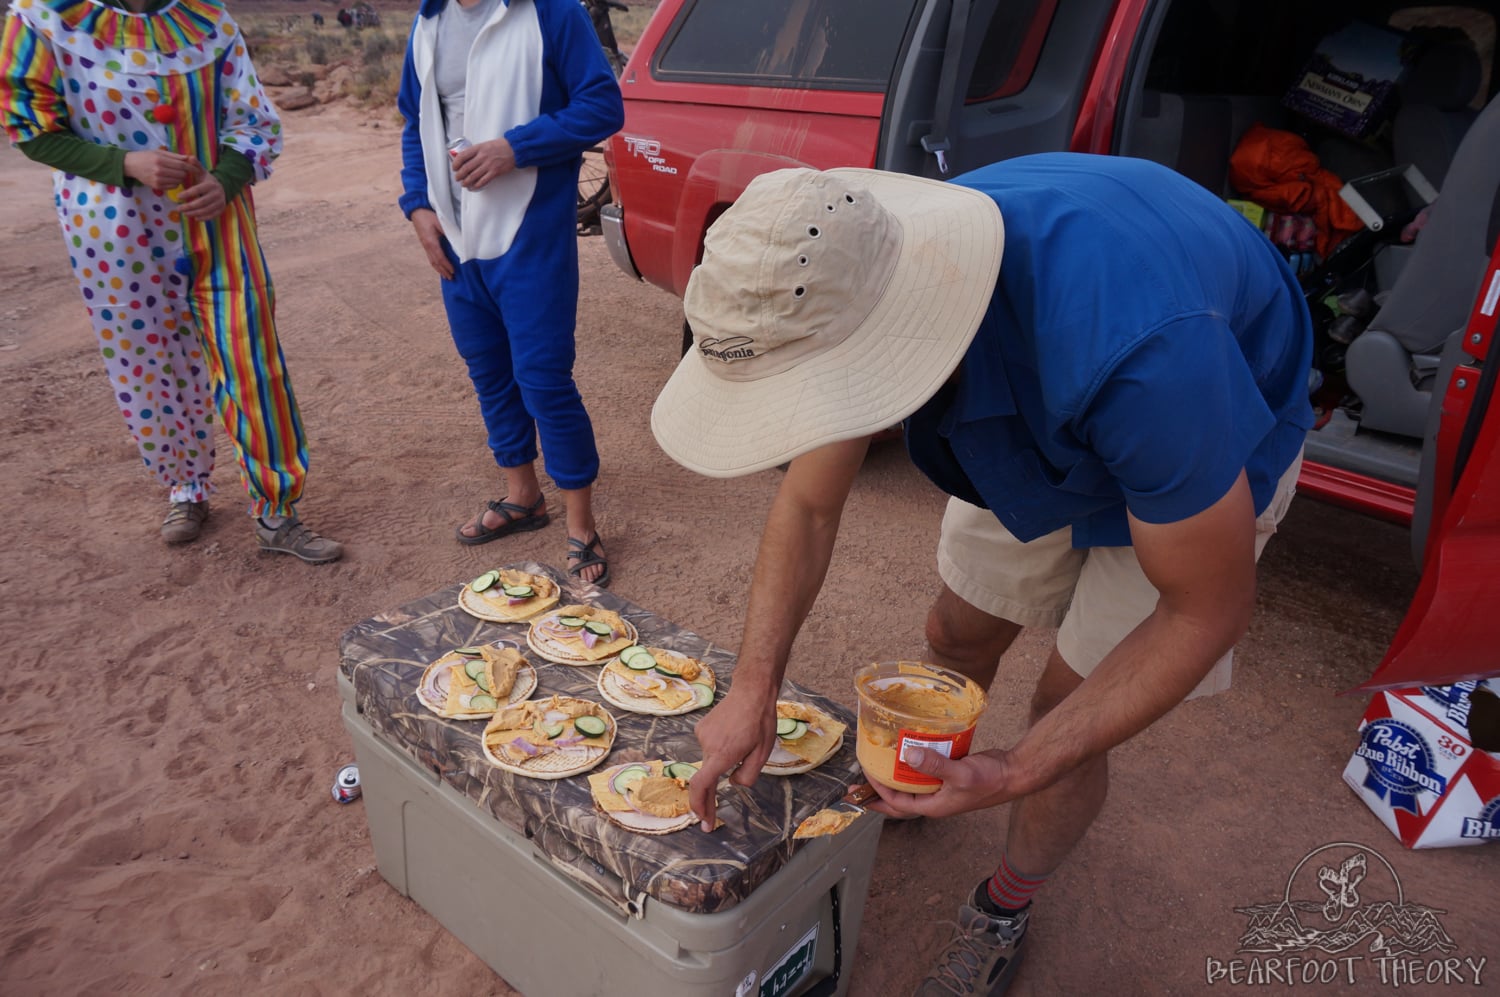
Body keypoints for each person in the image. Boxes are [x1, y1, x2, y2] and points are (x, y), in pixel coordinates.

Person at [650, 155, 1313, 996]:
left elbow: (1202, 612)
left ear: (891, 343)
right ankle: (918, 778)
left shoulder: (1148, 359)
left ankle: (1005, 903)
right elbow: (811, 508)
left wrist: (1014, 770)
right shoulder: (845, 261)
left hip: (1199, 424)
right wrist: (753, 684)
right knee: (954, 635)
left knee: (1066, 714)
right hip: (1044, 379)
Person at [1, 0, 342, 563]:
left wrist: (227, 177)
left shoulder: (209, 23)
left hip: (219, 225)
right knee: (147, 361)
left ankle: (277, 509)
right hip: (116, 231)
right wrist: (125, 164)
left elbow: (253, 121)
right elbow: (31, 127)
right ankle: (186, 487)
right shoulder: (45, 19)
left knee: (250, 359)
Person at [398, 0, 623, 585]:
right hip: (456, 238)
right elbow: (413, 122)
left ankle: (582, 526)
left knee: (544, 379)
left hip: (530, 236)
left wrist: (514, 148)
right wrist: (418, 206)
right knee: (488, 371)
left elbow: (602, 105)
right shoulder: (427, 23)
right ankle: (523, 497)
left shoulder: (551, 13)